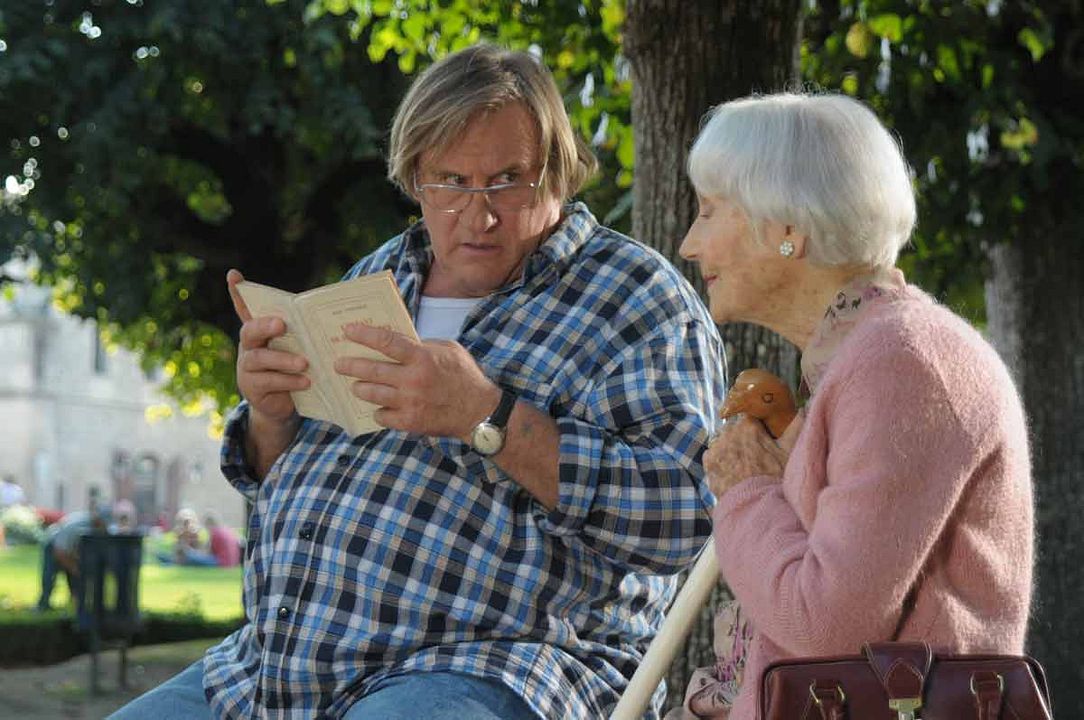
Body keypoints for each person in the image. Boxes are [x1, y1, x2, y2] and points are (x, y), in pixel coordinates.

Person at [109, 44, 726, 720]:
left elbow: (686, 517)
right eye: (451, 182)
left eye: (508, 180)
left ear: (557, 172)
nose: (479, 214)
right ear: (415, 179)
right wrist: (270, 415)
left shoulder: (634, 295)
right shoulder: (384, 271)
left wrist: (487, 417)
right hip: (272, 669)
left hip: (494, 665)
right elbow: (278, 471)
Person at [669, 92, 1033, 720]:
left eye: (708, 211)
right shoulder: (865, 358)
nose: (688, 245)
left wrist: (748, 489)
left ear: (786, 228)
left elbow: (824, 623)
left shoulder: (907, 363)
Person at [36, 502, 111, 611]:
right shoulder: (76, 525)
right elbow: (59, 552)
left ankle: (77, 605)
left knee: (74, 578)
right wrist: (73, 568)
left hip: (71, 551)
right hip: (53, 544)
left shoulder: (97, 529)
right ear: (97, 519)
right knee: (49, 576)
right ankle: (43, 605)